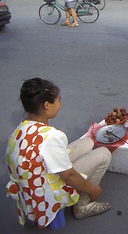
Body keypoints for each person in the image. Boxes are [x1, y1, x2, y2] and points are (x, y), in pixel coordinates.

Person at [5, 78, 112, 228]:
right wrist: (93, 189)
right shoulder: (51, 137)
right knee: (104, 154)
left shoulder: (20, 129)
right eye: (58, 100)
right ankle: (82, 206)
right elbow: (68, 177)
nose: (60, 105)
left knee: (88, 142)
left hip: (30, 188)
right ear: (47, 105)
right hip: (44, 194)